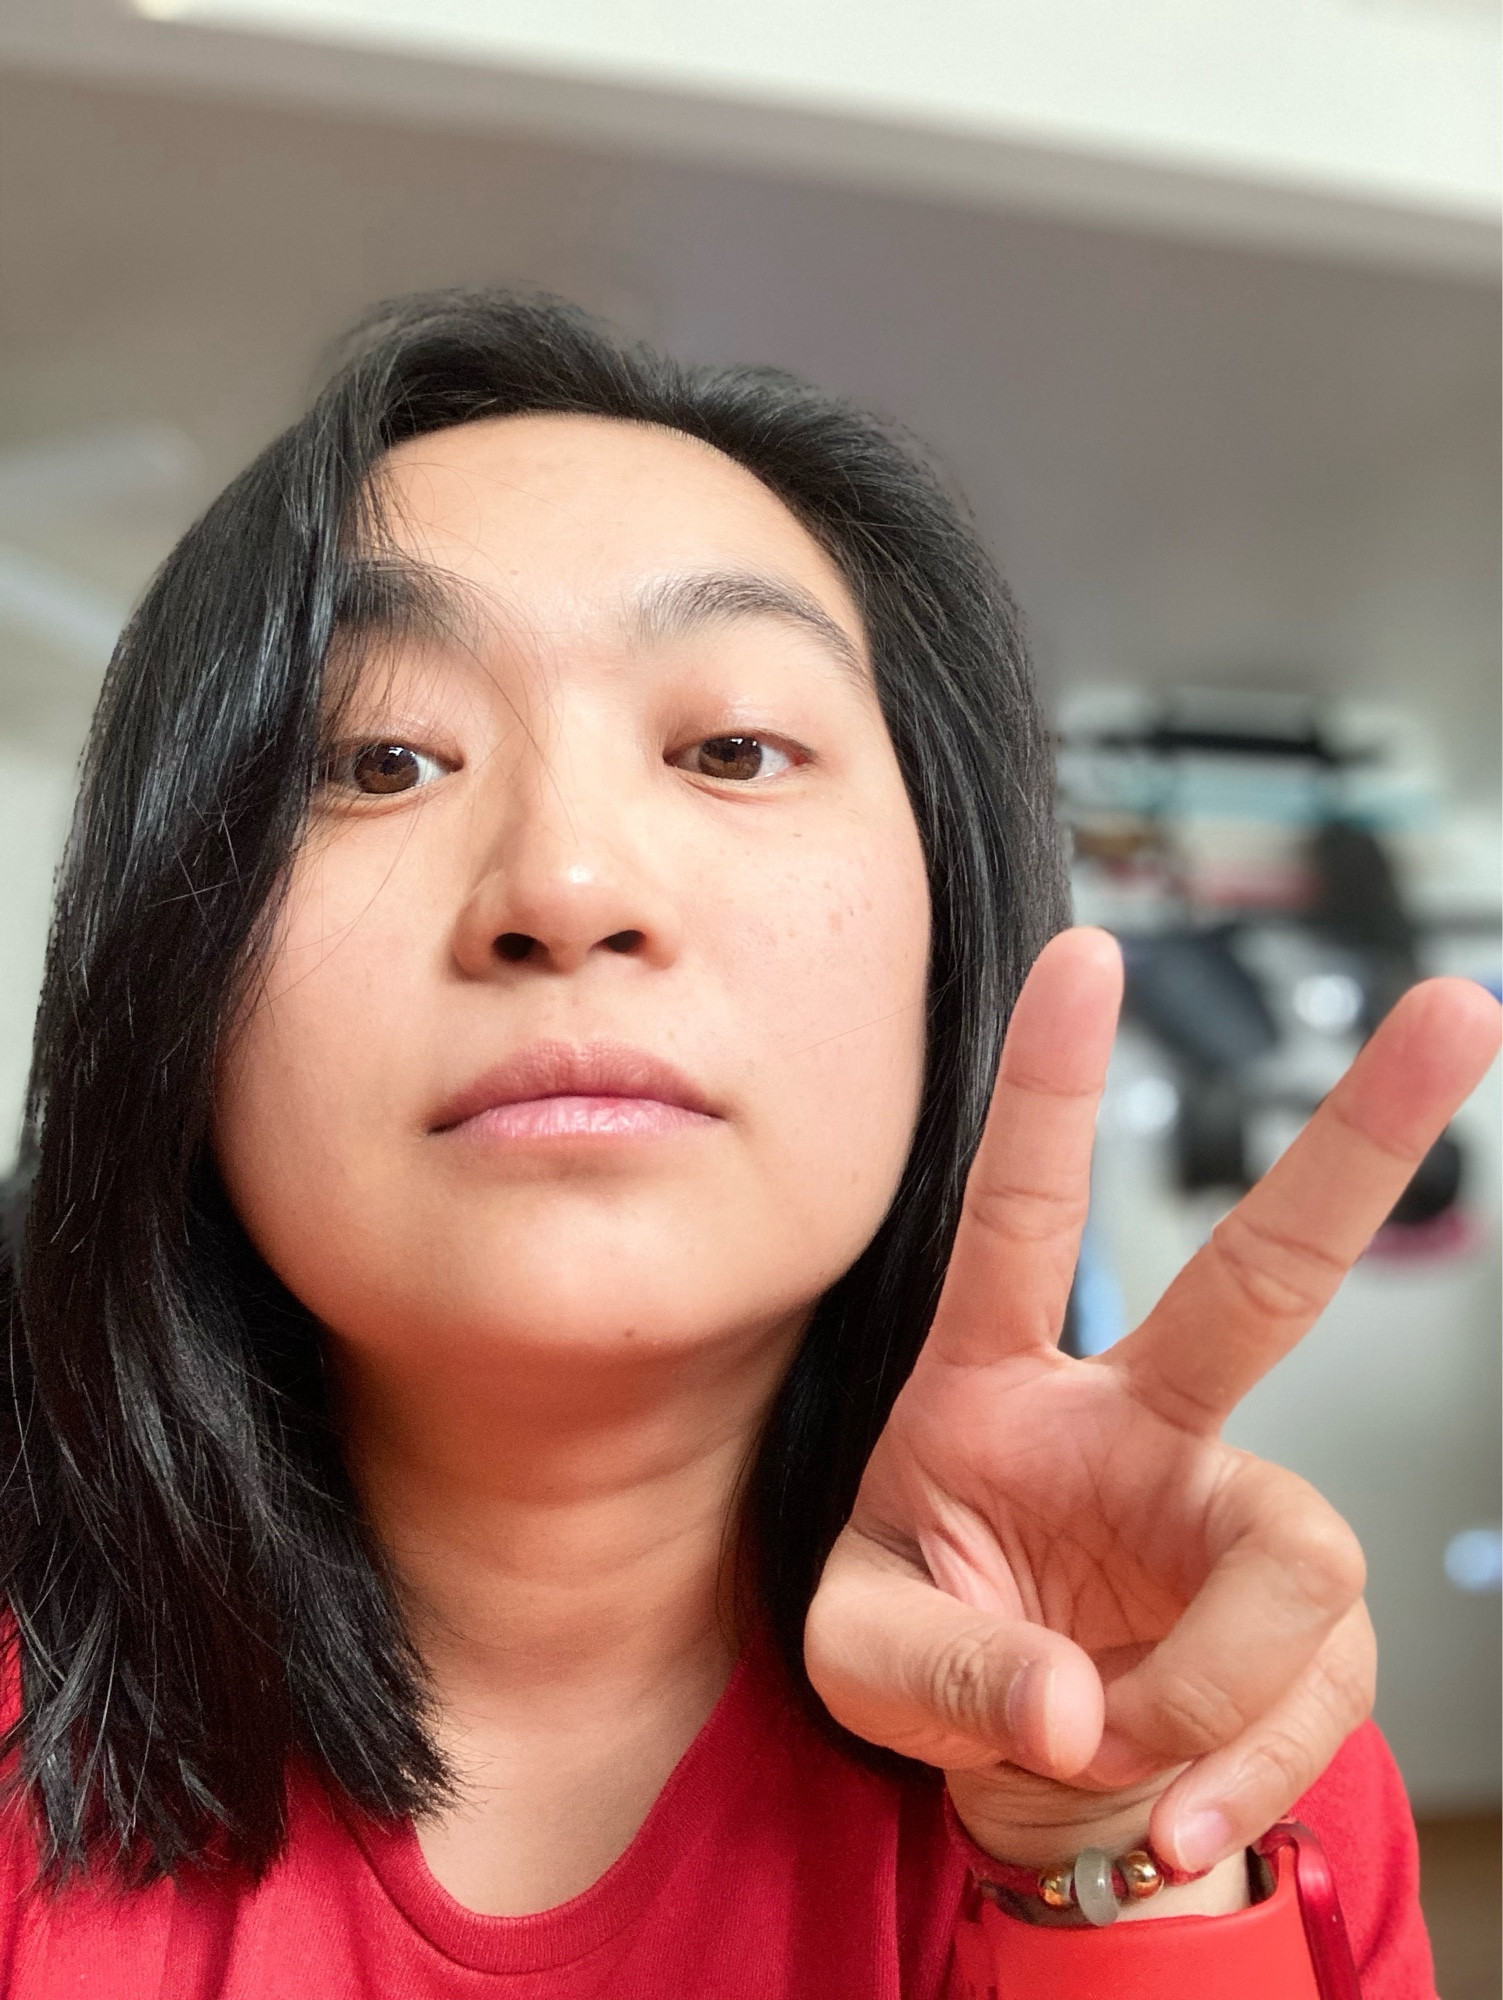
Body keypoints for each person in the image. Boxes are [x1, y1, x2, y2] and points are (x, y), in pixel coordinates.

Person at [0, 290, 1495, 1999]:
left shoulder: (1216, 1769)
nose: (566, 889)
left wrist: (1113, 1842)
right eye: (379, 756)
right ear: (170, 970)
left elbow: (1143, 1809)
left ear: (948, 945)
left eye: (732, 748)